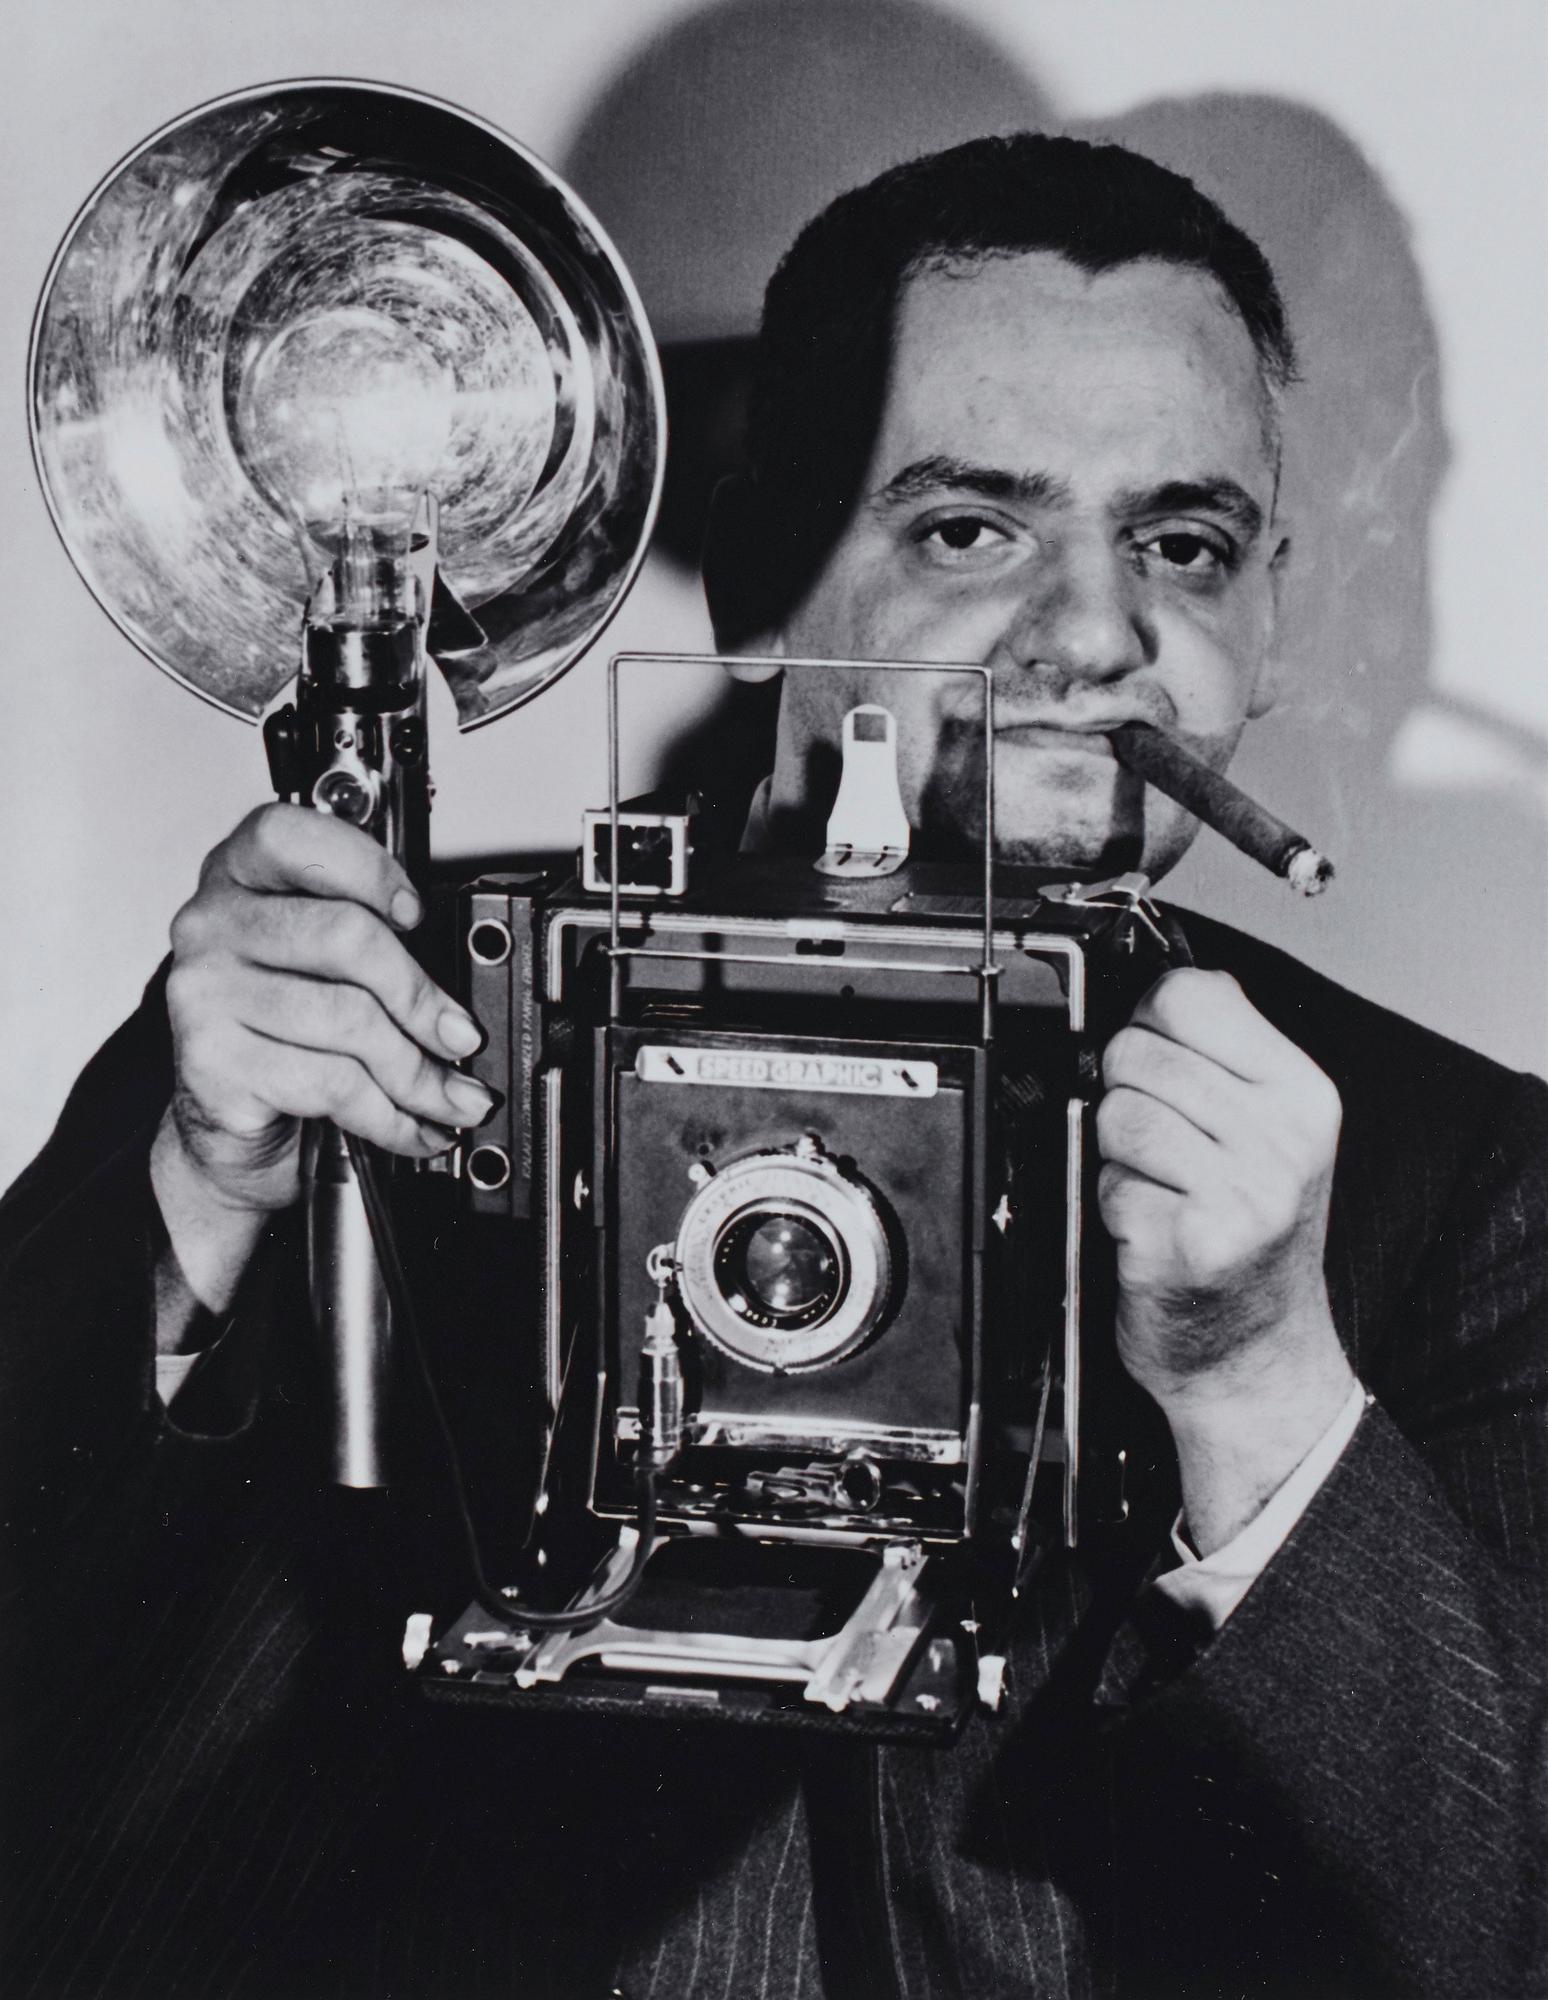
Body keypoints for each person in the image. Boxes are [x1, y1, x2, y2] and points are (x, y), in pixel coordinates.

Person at [3, 134, 1544, 1999]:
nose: (1095, 638)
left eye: (1184, 546)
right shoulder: (362, 999)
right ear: (754, 580)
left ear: (1271, 616)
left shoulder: (1464, 1181)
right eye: (972, 529)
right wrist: (199, 1212)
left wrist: (1268, 1399)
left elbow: (1496, 1922)